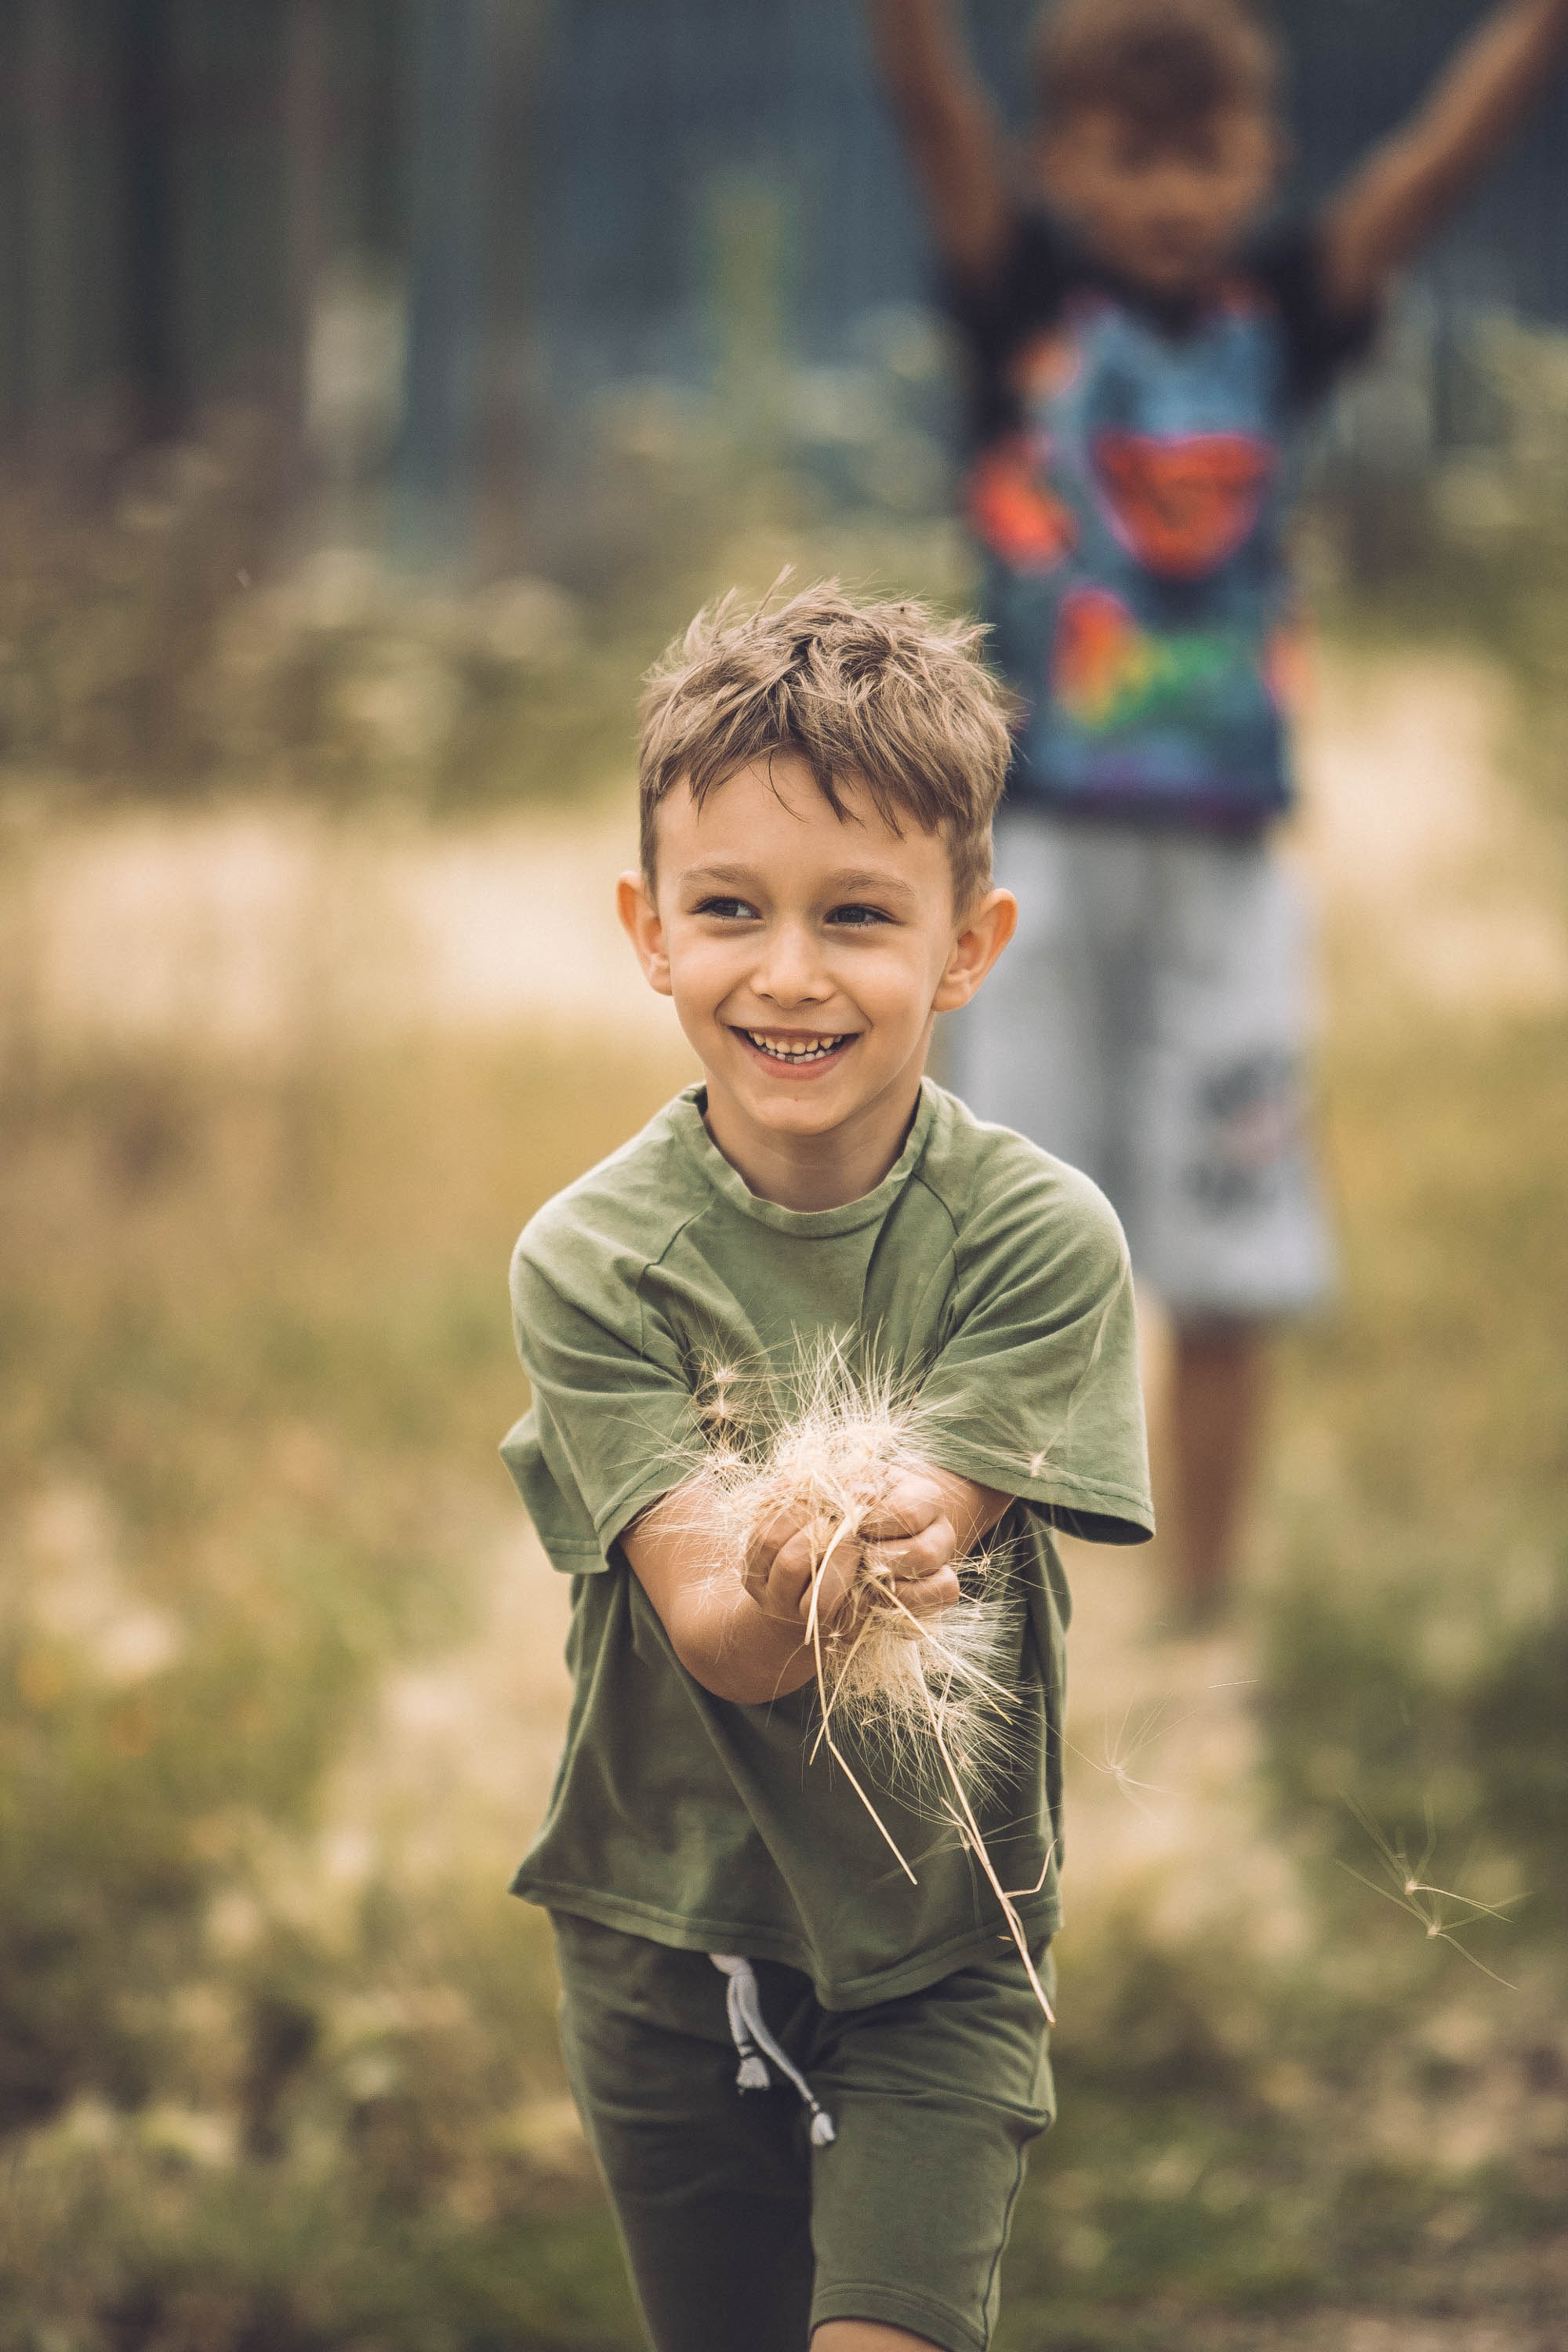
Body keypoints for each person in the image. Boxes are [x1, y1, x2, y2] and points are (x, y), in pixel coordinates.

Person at [500, 583, 1154, 2352]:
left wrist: (896, 1536)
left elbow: (940, 1505)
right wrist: (793, 1571)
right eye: (730, 909)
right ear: (649, 931)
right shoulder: (591, 1262)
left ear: (967, 946)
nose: (789, 974)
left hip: (941, 1943)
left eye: (857, 914)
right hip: (658, 1935)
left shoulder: (1037, 1241)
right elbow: (725, 1636)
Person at [865, 0, 1568, 1624]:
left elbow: (1436, 163)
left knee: (1231, 1267)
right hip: (1032, 869)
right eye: (1130, 158)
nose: (1171, 195)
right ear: (1060, 164)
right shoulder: (1022, 300)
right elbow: (927, 101)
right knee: (1008, 1258)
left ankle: (1203, 1618)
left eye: (1204, 159)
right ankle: (979, 1615)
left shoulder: (1286, 314)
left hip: (1230, 872)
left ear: (1263, 161)